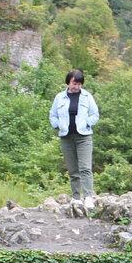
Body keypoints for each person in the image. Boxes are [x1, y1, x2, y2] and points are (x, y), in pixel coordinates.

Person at [49, 69, 99, 210]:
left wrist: (86, 122)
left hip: (84, 137)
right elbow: (52, 115)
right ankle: (76, 198)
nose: (77, 87)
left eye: (79, 84)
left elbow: (95, 114)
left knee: (85, 168)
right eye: (74, 83)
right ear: (68, 82)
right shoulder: (60, 97)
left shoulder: (87, 97)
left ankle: (88, 197)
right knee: (72, 170)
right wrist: (57, 125)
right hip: (66, 136)